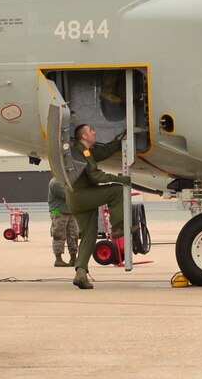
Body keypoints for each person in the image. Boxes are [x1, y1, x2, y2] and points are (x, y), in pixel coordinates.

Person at [66, 124, 129, 290]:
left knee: (89, 236)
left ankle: (81, 273)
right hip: (82, 196)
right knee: (117, 191)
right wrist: (120, 179)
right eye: (91, 131)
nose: (94, 132)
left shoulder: (82, 150)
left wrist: (118, 141)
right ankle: (118, 227)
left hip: (75, 199)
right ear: (84, 137)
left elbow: (103, 152)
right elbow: (95, 176)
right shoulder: (83, 152)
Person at [48, 177, 79, 267]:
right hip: (58, 212)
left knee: (73, 235)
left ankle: (73, 258)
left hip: (69, 211)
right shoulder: (56, 183)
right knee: (59, 235)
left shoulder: (66, 181)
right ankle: (58, 259)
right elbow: (68, 195)